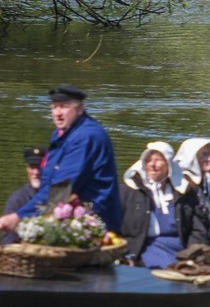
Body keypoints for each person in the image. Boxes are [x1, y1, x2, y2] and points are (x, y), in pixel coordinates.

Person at [0, 85, 121, 236]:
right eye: (54, 107)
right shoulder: (62, 134)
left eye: (64, 107)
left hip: (94, 223)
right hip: (68, 217)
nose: (57, 113)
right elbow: (50, 180)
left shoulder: (86, 136)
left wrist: (19, 216)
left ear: (79, 109)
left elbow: (61, 187)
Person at [120, 141, 208, 268]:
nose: (153, 165)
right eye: (148, 160)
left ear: (169, 165)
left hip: (182, 249)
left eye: (158, 160)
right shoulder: (128, 192)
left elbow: (198, 229)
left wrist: (192, 253)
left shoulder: (184, 192)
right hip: (145, 247)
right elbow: (114, 227)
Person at [2, 147, 46, 245]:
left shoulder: (57, 194)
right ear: (27, 169)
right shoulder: (17, 199)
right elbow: (10, 236)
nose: (36, 172)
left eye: (39, 167)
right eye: (32, 167)